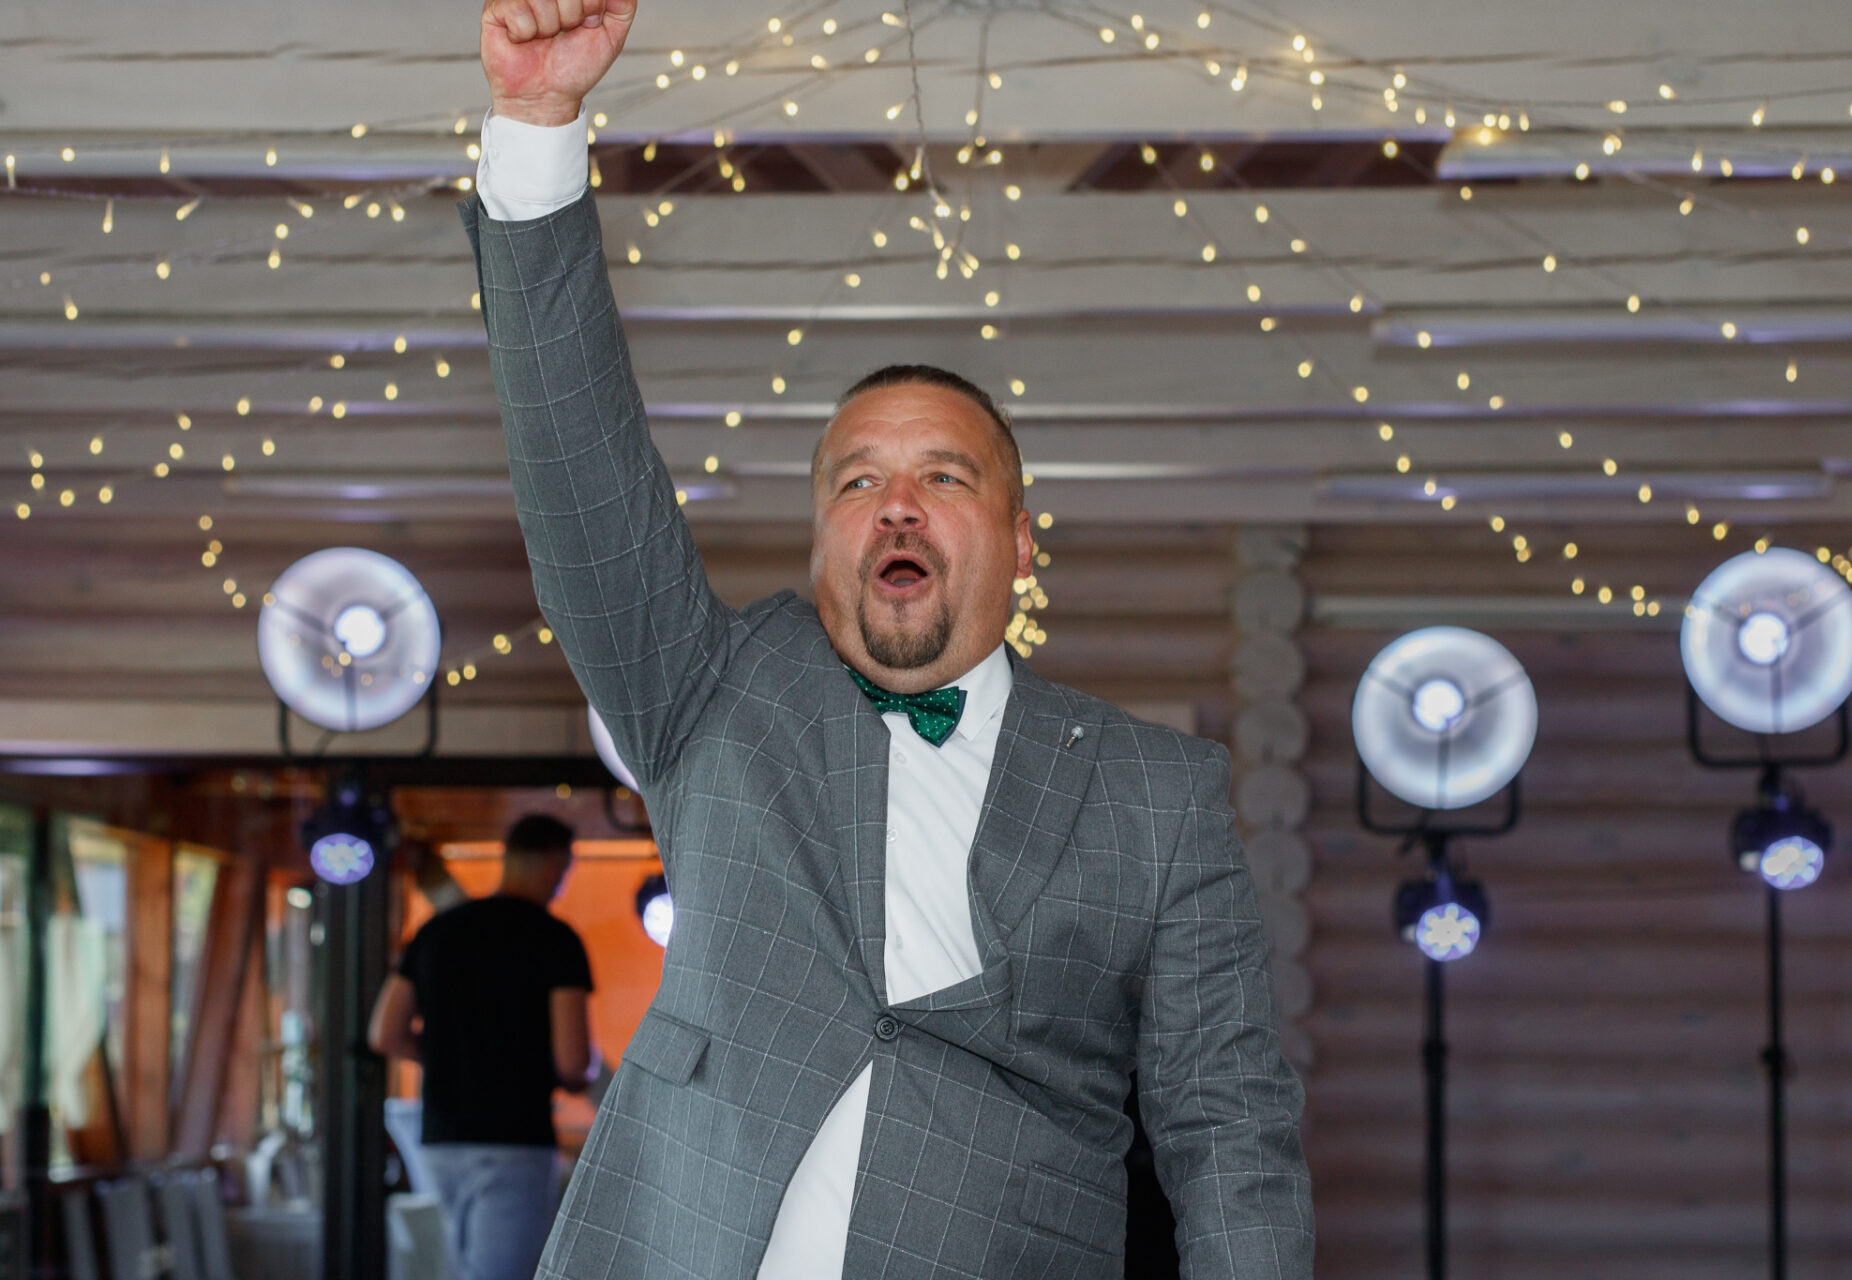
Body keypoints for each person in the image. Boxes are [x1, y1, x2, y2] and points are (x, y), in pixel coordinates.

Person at [464, 2, 1313, 1276]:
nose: (898, 503)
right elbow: (580, 470)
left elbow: (1228, 1124)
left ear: (1021, 542)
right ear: (821, 546)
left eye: (944, 478)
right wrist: (539, 126)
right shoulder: (715, 693)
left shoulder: (1157, 791)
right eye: (858, 481)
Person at [369, 814, 597, 1280]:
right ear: (552, 864)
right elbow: (574, 1061)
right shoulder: (555, 940)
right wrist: (580, 1076)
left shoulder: (436, 932)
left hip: (442, 1139)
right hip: (514, 1138)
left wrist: (448, 1057)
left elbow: (384, 1033)